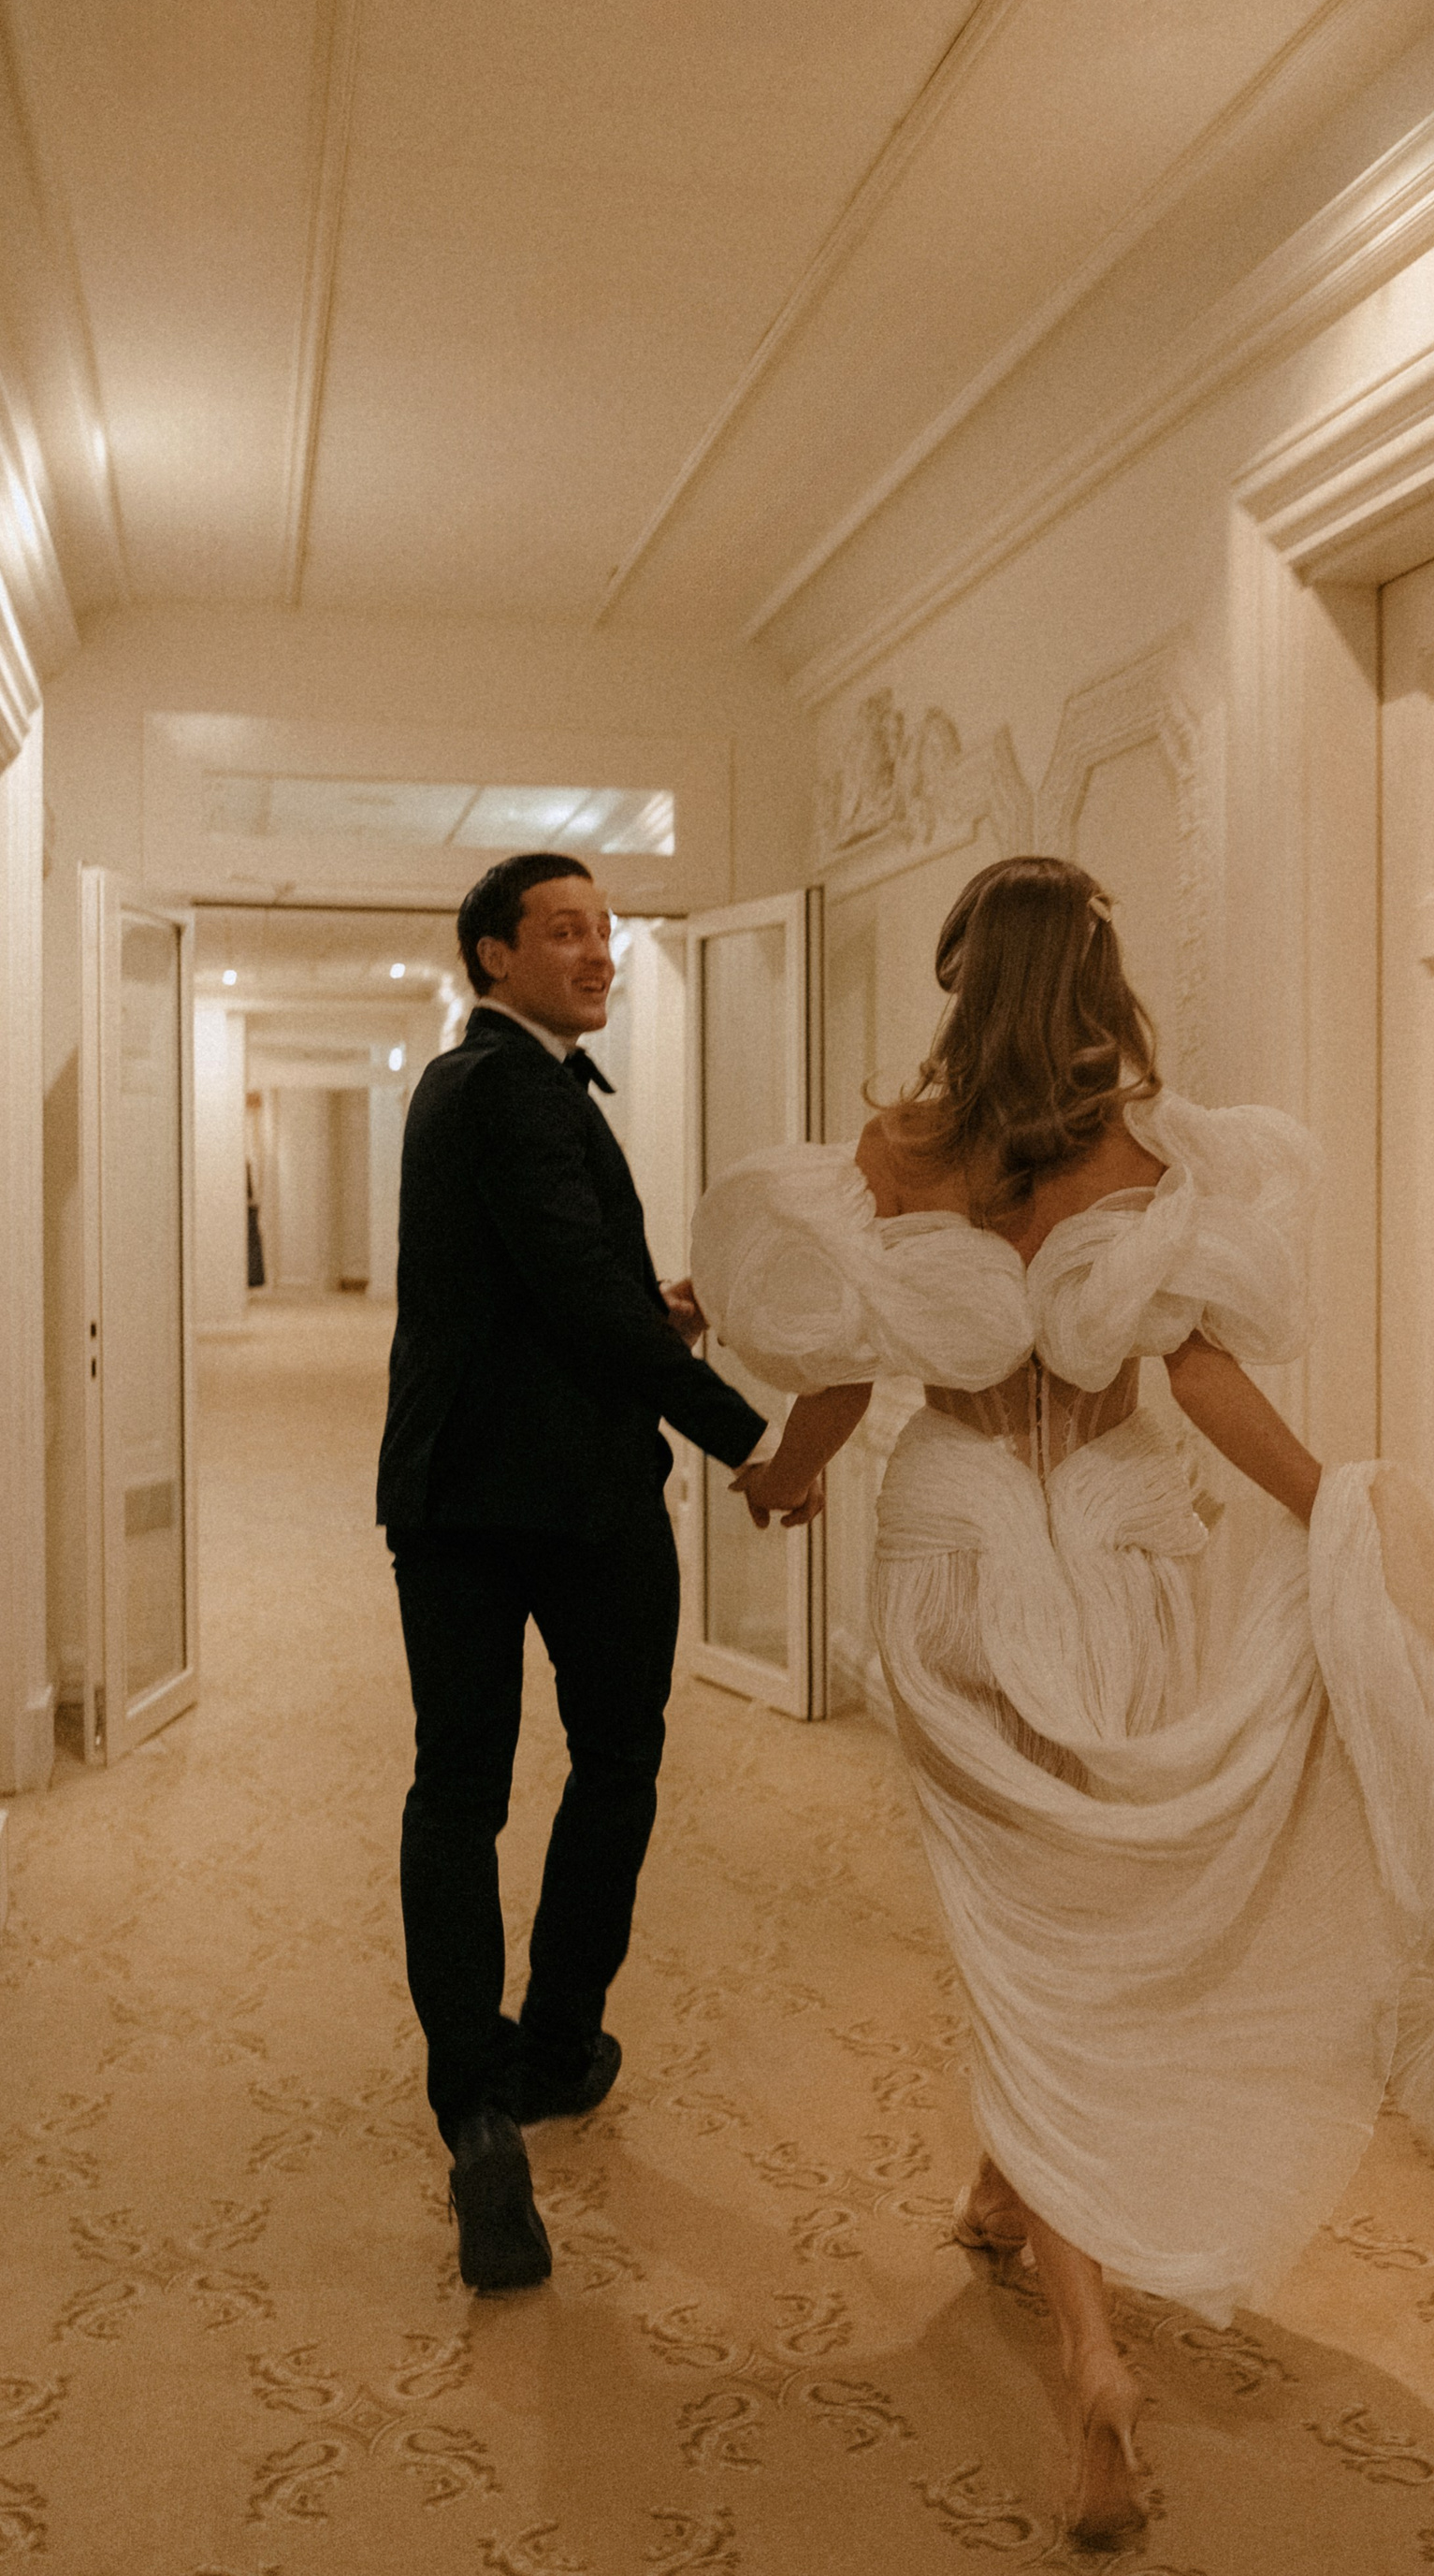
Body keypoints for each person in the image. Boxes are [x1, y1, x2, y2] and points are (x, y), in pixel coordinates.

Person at [688, 855, 1434, 2552]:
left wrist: (781, 1478)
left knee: (1019, 1929)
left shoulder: (895, 1158)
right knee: (1096, 1907)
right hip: (1120, 1548)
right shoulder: (1147, 1161)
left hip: (959, 1553)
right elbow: (1198, 1378)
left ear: (960, 981)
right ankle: (1024, 2196)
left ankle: (1091, 2356)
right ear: (1100, 983)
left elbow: (842, 1371)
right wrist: (1339, 1515)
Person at [376, 853, 811, 2294]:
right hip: (575, 1501)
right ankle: (554, 2048)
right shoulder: (514, 1087)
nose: (598, 951)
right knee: (612, 1763)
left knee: (458, 1788)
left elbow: (542, 1285)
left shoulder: (476, 1086)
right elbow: (570, 1293)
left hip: (455, 1494)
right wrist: (753, 1441)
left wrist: (647, 1310)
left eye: (606, 930)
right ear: (491, 956)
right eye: (564, 930)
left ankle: (479, 2100)